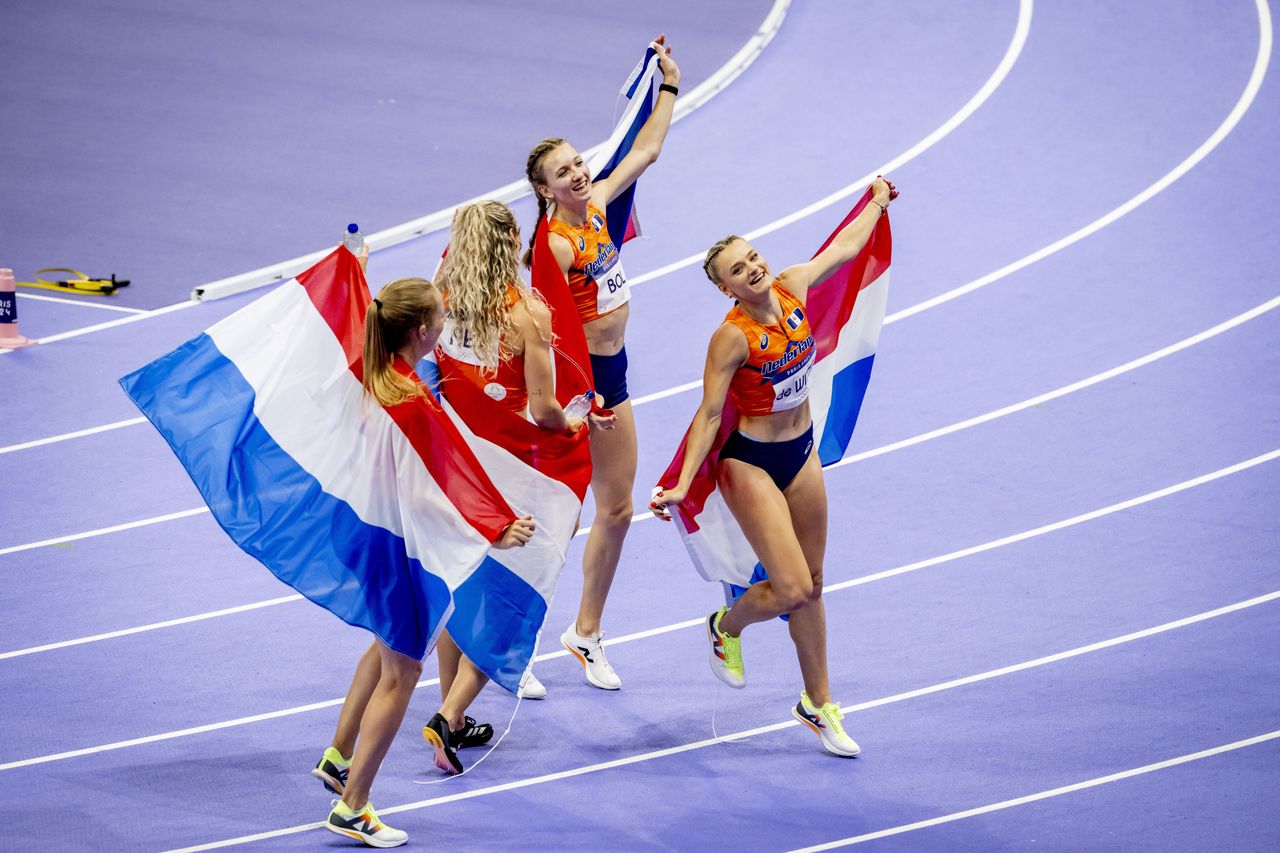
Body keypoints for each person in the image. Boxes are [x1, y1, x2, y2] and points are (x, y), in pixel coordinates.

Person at [651, 178, 898, 758]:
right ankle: (726, 627)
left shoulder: (792, 285)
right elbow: (710, 413)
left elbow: (843, 249)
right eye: (738, 270)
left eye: (753, 257)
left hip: (801, 451)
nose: (753, 269)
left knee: (813, 585)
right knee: (790, 588)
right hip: (751, 462)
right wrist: (682, 484)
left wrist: (877, 202)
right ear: (726, 288)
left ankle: (819, 703)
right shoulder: (731, 338)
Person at [314, 276, 535, 847]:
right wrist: (493, 530)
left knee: (384, 646)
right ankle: (353, 806)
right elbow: (430, 491)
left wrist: (356, 267)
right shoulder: (410, 400)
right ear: (421, 330)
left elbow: (354, 310)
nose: (446, 321)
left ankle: (339, 756)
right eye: (441, 315)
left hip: (357, 530)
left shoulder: (368, 370)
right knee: (404, 672)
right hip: (388, 543)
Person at [421, 200, 612, 773]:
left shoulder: (440, 295)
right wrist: (578, 422)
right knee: (519, 589)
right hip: (518, 470)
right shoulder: (529, 313)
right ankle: (449, 715)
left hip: (458, 464)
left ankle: (453, 716)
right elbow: (545, 410)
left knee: (463, 580)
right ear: (509, 243)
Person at [519, 35, 680, 693]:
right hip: (574, 389)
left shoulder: (600, 205)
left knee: (616, 510)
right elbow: (541, 330)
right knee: (552, 519)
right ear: (544, 189)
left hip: (615, 378)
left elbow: (647, 149)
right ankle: (513, 646)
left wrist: (669, 86)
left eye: (578, 163)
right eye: (563, 173)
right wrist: (574, 402)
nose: (578, 174)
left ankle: (585, 633)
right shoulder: (554, 245)